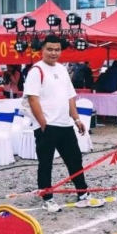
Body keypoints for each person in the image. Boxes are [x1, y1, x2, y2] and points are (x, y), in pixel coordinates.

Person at [23, 35, 104, 213]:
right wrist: (43, 124)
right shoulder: (36, 70)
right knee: (46, 163)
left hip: (65, 124)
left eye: (57, 50)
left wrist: (76, 119)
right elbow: (32, 99)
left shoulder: (61, 69)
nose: (53, 53)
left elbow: (70, 96)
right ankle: (47, 198)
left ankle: (83, 194)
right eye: (49, 49)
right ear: (42, 49)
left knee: (75, 160)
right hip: (46, 126)